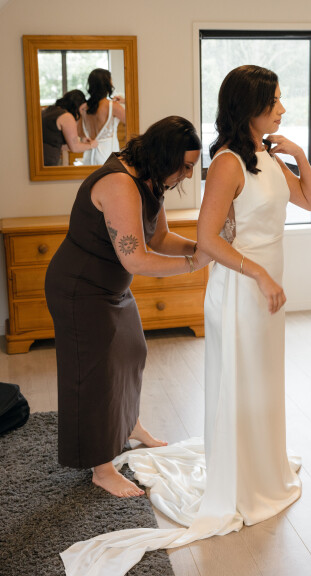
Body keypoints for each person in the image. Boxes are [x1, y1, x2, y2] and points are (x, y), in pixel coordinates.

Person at [59, 66, 311, 576]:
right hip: (216, 286)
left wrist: (300, 155)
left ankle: (243, 461)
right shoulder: (219, 165)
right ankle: (103, 464)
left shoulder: (264, 157)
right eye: (275, 101)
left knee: (142, 354)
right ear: (250, 107)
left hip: (253, 283)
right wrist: (225, 266)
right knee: (96, 369)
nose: (283, 109)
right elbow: (169, 248)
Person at [45, 116, 210, 498]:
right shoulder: (119, 184)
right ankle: (101, 468)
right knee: (93, 375)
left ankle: (129, 425)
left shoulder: (151, 179)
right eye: (186, 166)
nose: (188, 174)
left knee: (133, 352)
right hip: (80, 289)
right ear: (166, 155)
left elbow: (161, 237)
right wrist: (194, 264)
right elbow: (136, 259)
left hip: (111, 288)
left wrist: (201, 248)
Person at [80, 68, 126, 165]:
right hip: (107, 155)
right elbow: (132, 120)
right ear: (107, 84)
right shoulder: (112, 106)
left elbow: (80, 132)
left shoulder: (84, 107)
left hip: (88, 156)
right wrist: (125, 101)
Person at [42, 90, 97, 166]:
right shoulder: (66, 117)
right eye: (82, 109)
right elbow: (75, 148)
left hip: (41, 160)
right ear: (76, 106)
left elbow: (58, 144)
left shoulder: (48, 110)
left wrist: (82, 143)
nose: (81, 113)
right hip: (48, 162)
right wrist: (91, 145)